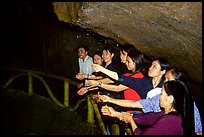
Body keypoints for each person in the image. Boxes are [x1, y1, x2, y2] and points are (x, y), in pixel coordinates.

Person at [97, 67, 202, 135]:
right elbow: (146, 117)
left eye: (167, 80)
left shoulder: (174, 117)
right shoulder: (166, 111)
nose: (164, 82)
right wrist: (116, 113)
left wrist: (132, 123)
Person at [91, 57, 171, 99]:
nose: (150, 68)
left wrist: (98, 84)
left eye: (154, 67)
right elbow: (122, 78)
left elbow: (117, 88)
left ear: (163, 71)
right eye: (151, 65)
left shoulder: (166, 87)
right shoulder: (143, 82)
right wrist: (102, 69)